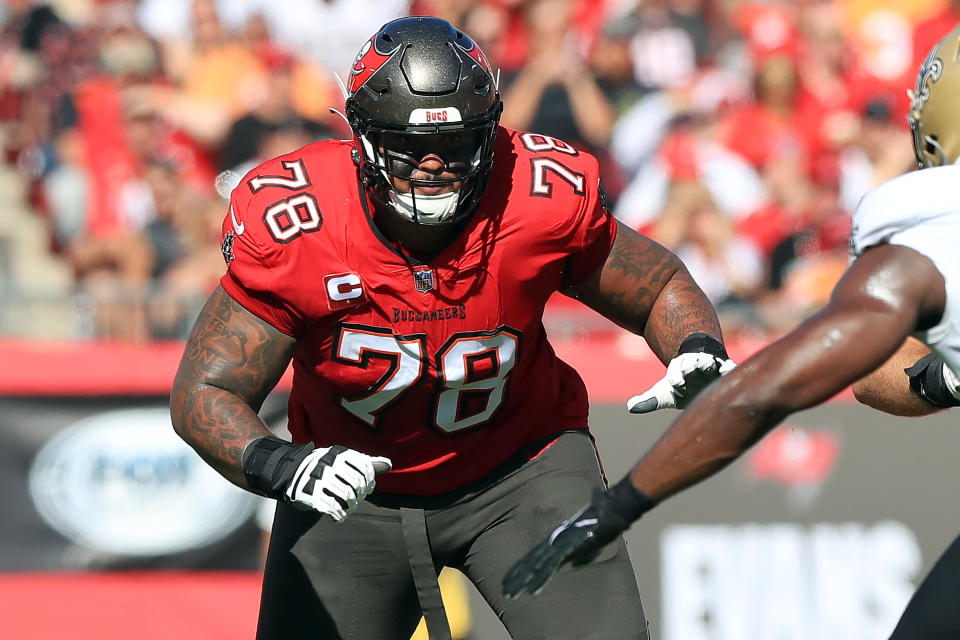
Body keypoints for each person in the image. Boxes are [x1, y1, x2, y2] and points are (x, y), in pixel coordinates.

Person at [169, 16, 733, 640]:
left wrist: (695, 345)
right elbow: (205, 392)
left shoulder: (535, 194)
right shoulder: (299, 223)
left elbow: (655, 285)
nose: (434, 163)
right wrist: (286, 466)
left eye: (459, 142)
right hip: (350, 490)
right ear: (362, 138)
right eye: (408, 146)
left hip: (522, 471)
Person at [502, 23, 960, 640]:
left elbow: (769, 388)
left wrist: (622, 504)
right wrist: (942, 377)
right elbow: (875, 373)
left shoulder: (932, 228)